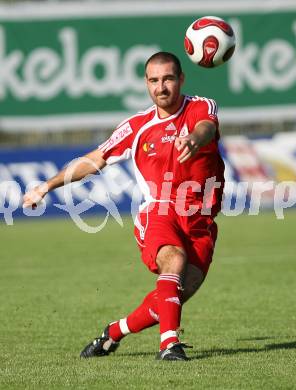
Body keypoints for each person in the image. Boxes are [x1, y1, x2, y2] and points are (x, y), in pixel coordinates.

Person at [23, 52, 225, 361]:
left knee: (168, 300)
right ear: (146, 83)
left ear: (181, 79)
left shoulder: (200, 107)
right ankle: (170, 345)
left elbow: (206, 127)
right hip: (158, 211)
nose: (162, 87)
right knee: (174, 260)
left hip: (200, 220)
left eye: (169, 78)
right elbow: (94, 160)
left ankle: (113, 333)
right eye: (154, 80)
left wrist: (195, 139)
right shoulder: (136, 127)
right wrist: (46, 186)